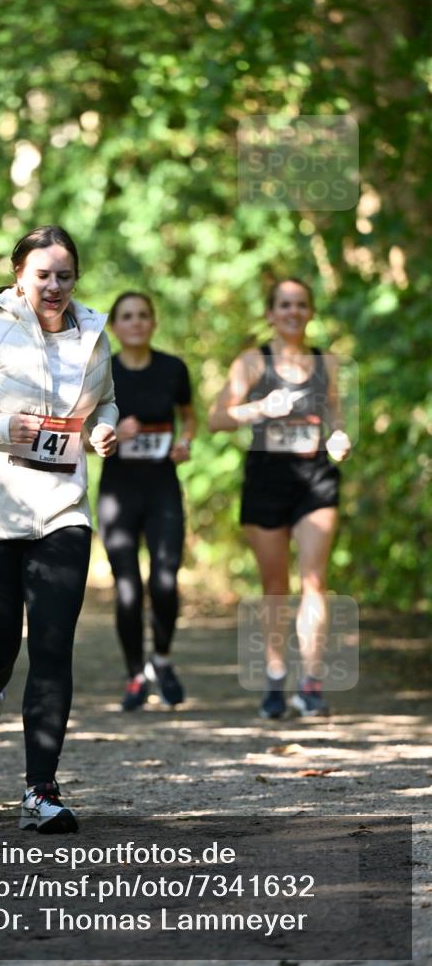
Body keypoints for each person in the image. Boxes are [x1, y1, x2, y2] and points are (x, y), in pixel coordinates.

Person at [0, 225, 118, 833]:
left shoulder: (93, 336)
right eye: (43, 275)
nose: (54, 286)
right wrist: (0, 428)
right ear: (19, 277)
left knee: (53, 647)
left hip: (62, 511)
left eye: (64, 275)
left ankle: (41, 790)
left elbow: (106, 400)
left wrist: (103, 428)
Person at [208, 278, 352, 718]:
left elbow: (336, 419)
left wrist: (340, 438)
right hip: (267, 478)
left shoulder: (326, 363)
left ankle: (310, 684)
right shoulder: (252, 362)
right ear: (270, 313)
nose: (293, 312)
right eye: (284, 305)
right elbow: (217, 419)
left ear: (310, 312)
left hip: (315, 479)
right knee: (275, 586)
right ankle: (275, 680)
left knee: (314, 580)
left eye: (301, 305)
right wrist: (258, 409)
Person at [97, 292, 196, 711]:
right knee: (127, 589)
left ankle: (163, 659)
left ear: (153, 323)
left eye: (143, 316)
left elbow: (188, 416)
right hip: (118, 492)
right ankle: (136, 673)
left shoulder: (173, 368)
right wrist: (114, 434)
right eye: (126, 317)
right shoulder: (102, 372)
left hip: (162, 487)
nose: (135, 323)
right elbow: (83, 433)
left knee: (166, 578)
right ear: (115, 327)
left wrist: (186, 441)